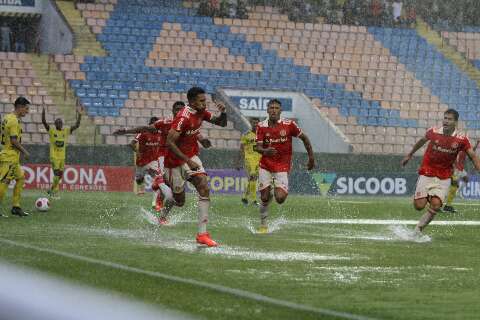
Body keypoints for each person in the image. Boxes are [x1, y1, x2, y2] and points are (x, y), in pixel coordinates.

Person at [401, 109, 480, 235]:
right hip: (427, 171)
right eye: (445, 118)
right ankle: (425, 195)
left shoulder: (461, 139)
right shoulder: (433, 132)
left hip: (444, 176)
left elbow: (472, 155)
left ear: (455, 122)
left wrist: (477, 166)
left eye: (449, 119)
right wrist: (409, 155)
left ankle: (417, 230)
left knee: (436, 205)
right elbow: (421, 141)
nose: (446, 121)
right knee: (419, 206)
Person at [165, 87, 227, 247]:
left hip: (191, 156)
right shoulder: (182, 117)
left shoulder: (201, 112)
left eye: (205, 100)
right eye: (201, 101)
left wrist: (224, 112)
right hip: (174, 162)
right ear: (192, 102)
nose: (204, 104)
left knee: (204, 187)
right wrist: (187, 160)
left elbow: (221, 123)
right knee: (179, 201)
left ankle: (202, 234)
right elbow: (169, 143)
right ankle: (166, 193)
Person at [114, 101, 187, 214]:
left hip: (168, 160)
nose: (179, 112)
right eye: (177, 109)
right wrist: (126, 132)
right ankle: (157, 189)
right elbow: (142, 131)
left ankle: (158, 200)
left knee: (176, 197)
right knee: (141, 179)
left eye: (181, 110)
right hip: (154, 160)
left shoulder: (186, 125)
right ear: (172, 111)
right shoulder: (164, 124)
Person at [255, 99, 315, 233]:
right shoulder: (261, 126)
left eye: (276, 108)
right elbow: (257, 147)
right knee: (264, 198)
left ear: (281, 111)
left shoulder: (289, 125)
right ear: (267, 110)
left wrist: (311, 157)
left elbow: (305, 138)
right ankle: (263, 225)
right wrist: (265, 151)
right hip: (265, 165)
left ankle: (272, 192)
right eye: (271, 108)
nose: (274, 110)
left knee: (280, 199)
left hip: (282, 166)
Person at [42, 106, 81, 199]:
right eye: (58, 123)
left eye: (61, 122)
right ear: (55, 124)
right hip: (54, 156)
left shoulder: (66, 131)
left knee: (60, 176)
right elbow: (44, 122)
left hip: (62, 157)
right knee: (56, 174)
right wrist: (43, 112)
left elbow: (77, 125)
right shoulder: (52, 130)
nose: (60, 124)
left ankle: (51, 189)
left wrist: (80, 114)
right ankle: (53, 192)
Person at [0, 97, 30, 217]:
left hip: (9, 155)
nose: (27, 111)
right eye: (26, 109)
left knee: (21, 177)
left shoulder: (7, 117)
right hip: (9, 156)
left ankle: (16, 207)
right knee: (4, 182)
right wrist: (24, 152)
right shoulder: (14, 121)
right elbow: (13, 140)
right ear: (20, 107)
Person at [443, 140, 480, 212]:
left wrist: (477, 143)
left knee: (466, 179)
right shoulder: (455, 150)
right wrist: (453, 167)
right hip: (456, 169)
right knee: (454, 185)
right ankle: (446, 205)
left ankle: (457, 194)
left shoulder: (464, 150)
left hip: (461, 169)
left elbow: (471, 153)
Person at [237, 117, 261, 206]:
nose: (255, 124)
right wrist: (238, 162)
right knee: (253, 177)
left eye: (257, 123)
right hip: (249, 159)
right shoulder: (246, 134)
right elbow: (241, 149)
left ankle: (244, 197)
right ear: (250, 123)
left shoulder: (262, 134)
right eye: (253, 123)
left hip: (259, 159)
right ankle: (254, 200)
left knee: (253, 179)